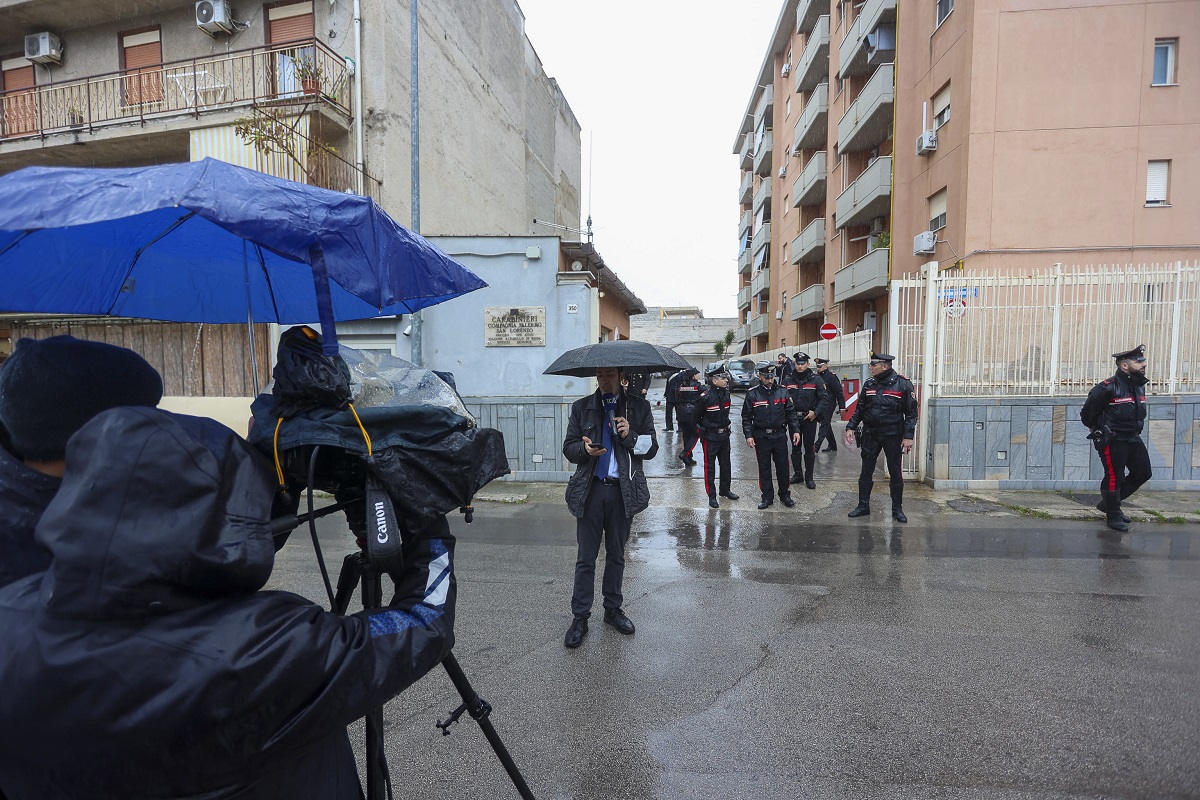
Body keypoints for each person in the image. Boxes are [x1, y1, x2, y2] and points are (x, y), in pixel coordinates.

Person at [0, 406, 455, 798]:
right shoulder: (262, 647)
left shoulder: (13, 613)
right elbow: (423, 620)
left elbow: (191, 554)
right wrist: (426, 528)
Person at [0, 335, 163, 589]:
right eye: (142, 418)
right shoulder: (14, 548)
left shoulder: (120, 493)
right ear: (96, 430)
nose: (157, 430)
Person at [562, 366, 658, 648]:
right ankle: (580, 617)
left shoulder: (638, 407)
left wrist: (630, 435)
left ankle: (612, 610)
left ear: (621, 377)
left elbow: (651, 448)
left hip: (622, 491)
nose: (604, 381)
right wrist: (584, 451)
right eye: (600, 375)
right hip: (591, 491)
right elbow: (568, 447)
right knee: (585, 558)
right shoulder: (582, 408)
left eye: (610, 375)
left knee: (616, 555)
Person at [1080, 344, 1152, 533]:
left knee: (1143, 473)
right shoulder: (1107, 387)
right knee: (1114, 476)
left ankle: (1108, 504)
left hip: (1133, 437)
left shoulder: (1137, 386)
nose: (1144, 364)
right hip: (1112, 439)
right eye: (1139, 361)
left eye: (1143, 360)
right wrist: (1099, 431)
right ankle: (1113, 515)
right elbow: (1087, 414)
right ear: (1124, 366)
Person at [845, 353, 917, 522]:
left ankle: (897, 509)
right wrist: (850, 427)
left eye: (873, 365)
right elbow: (860, 409)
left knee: (895, 472)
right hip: (871, 434)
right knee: (866, 471)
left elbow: (911, 413)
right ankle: (863, 506)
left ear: (885, 366)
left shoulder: (903, 384)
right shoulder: (869, 384)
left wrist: (908, 436)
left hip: (893, 434)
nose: (870, 367)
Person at [742, 362, 800, 510]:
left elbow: (791, 414)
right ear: (760, 376)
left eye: (771, 376)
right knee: (764, 467)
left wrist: (795, 431)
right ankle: (767, 497)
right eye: (766, 377)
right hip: (761, 437)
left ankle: (785, 495)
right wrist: (748, 435)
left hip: (779, 435)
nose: (770, 380)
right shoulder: (752, 393)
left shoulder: (783, 391)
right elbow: (746, 417)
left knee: (783, 467)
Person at [783, 352, 832, 489]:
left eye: (802, 364)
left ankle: (809, 477)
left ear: (807, 364)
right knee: (795, 448)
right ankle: (798, 474)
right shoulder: (788, 380)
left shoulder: (816, 380)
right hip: (793, 419)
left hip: (809, 419)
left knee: (809, 448)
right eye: (797, 364)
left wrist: (815, 413)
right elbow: (783, 399)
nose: (799, 366)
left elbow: (824, 399)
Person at [695, 365, 739, 508]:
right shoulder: (705, 397)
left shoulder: (726, 394)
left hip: (724, 435)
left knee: (726, 464)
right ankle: (712, 496)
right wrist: (703, 431)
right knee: (710, 467)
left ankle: (725, 490)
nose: (726, 380)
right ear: (714, 381)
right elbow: (696, 417)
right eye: (723, 378)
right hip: (710, 437)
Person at [814, 357, 846, 452]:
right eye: (817, 366)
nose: (818, 368)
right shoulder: (817, 377)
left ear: (825, 366)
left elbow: (839, 392)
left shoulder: (831, 377)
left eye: (820, 366)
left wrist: (842, 406)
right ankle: (832, 445)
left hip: (829, 403)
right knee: (825, 424)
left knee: (824, 423)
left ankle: (816, 446)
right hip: (820, 404)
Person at [674, 368, 702, 465]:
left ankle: (689, 459)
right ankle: (685, 453)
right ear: (693, 376)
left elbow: (676, 395)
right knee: (696, 434)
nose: (699, 376)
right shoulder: (698, 386)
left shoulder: (681, 385)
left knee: (686, 435)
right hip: (691, 412)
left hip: (681, 413)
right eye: (698, 374)